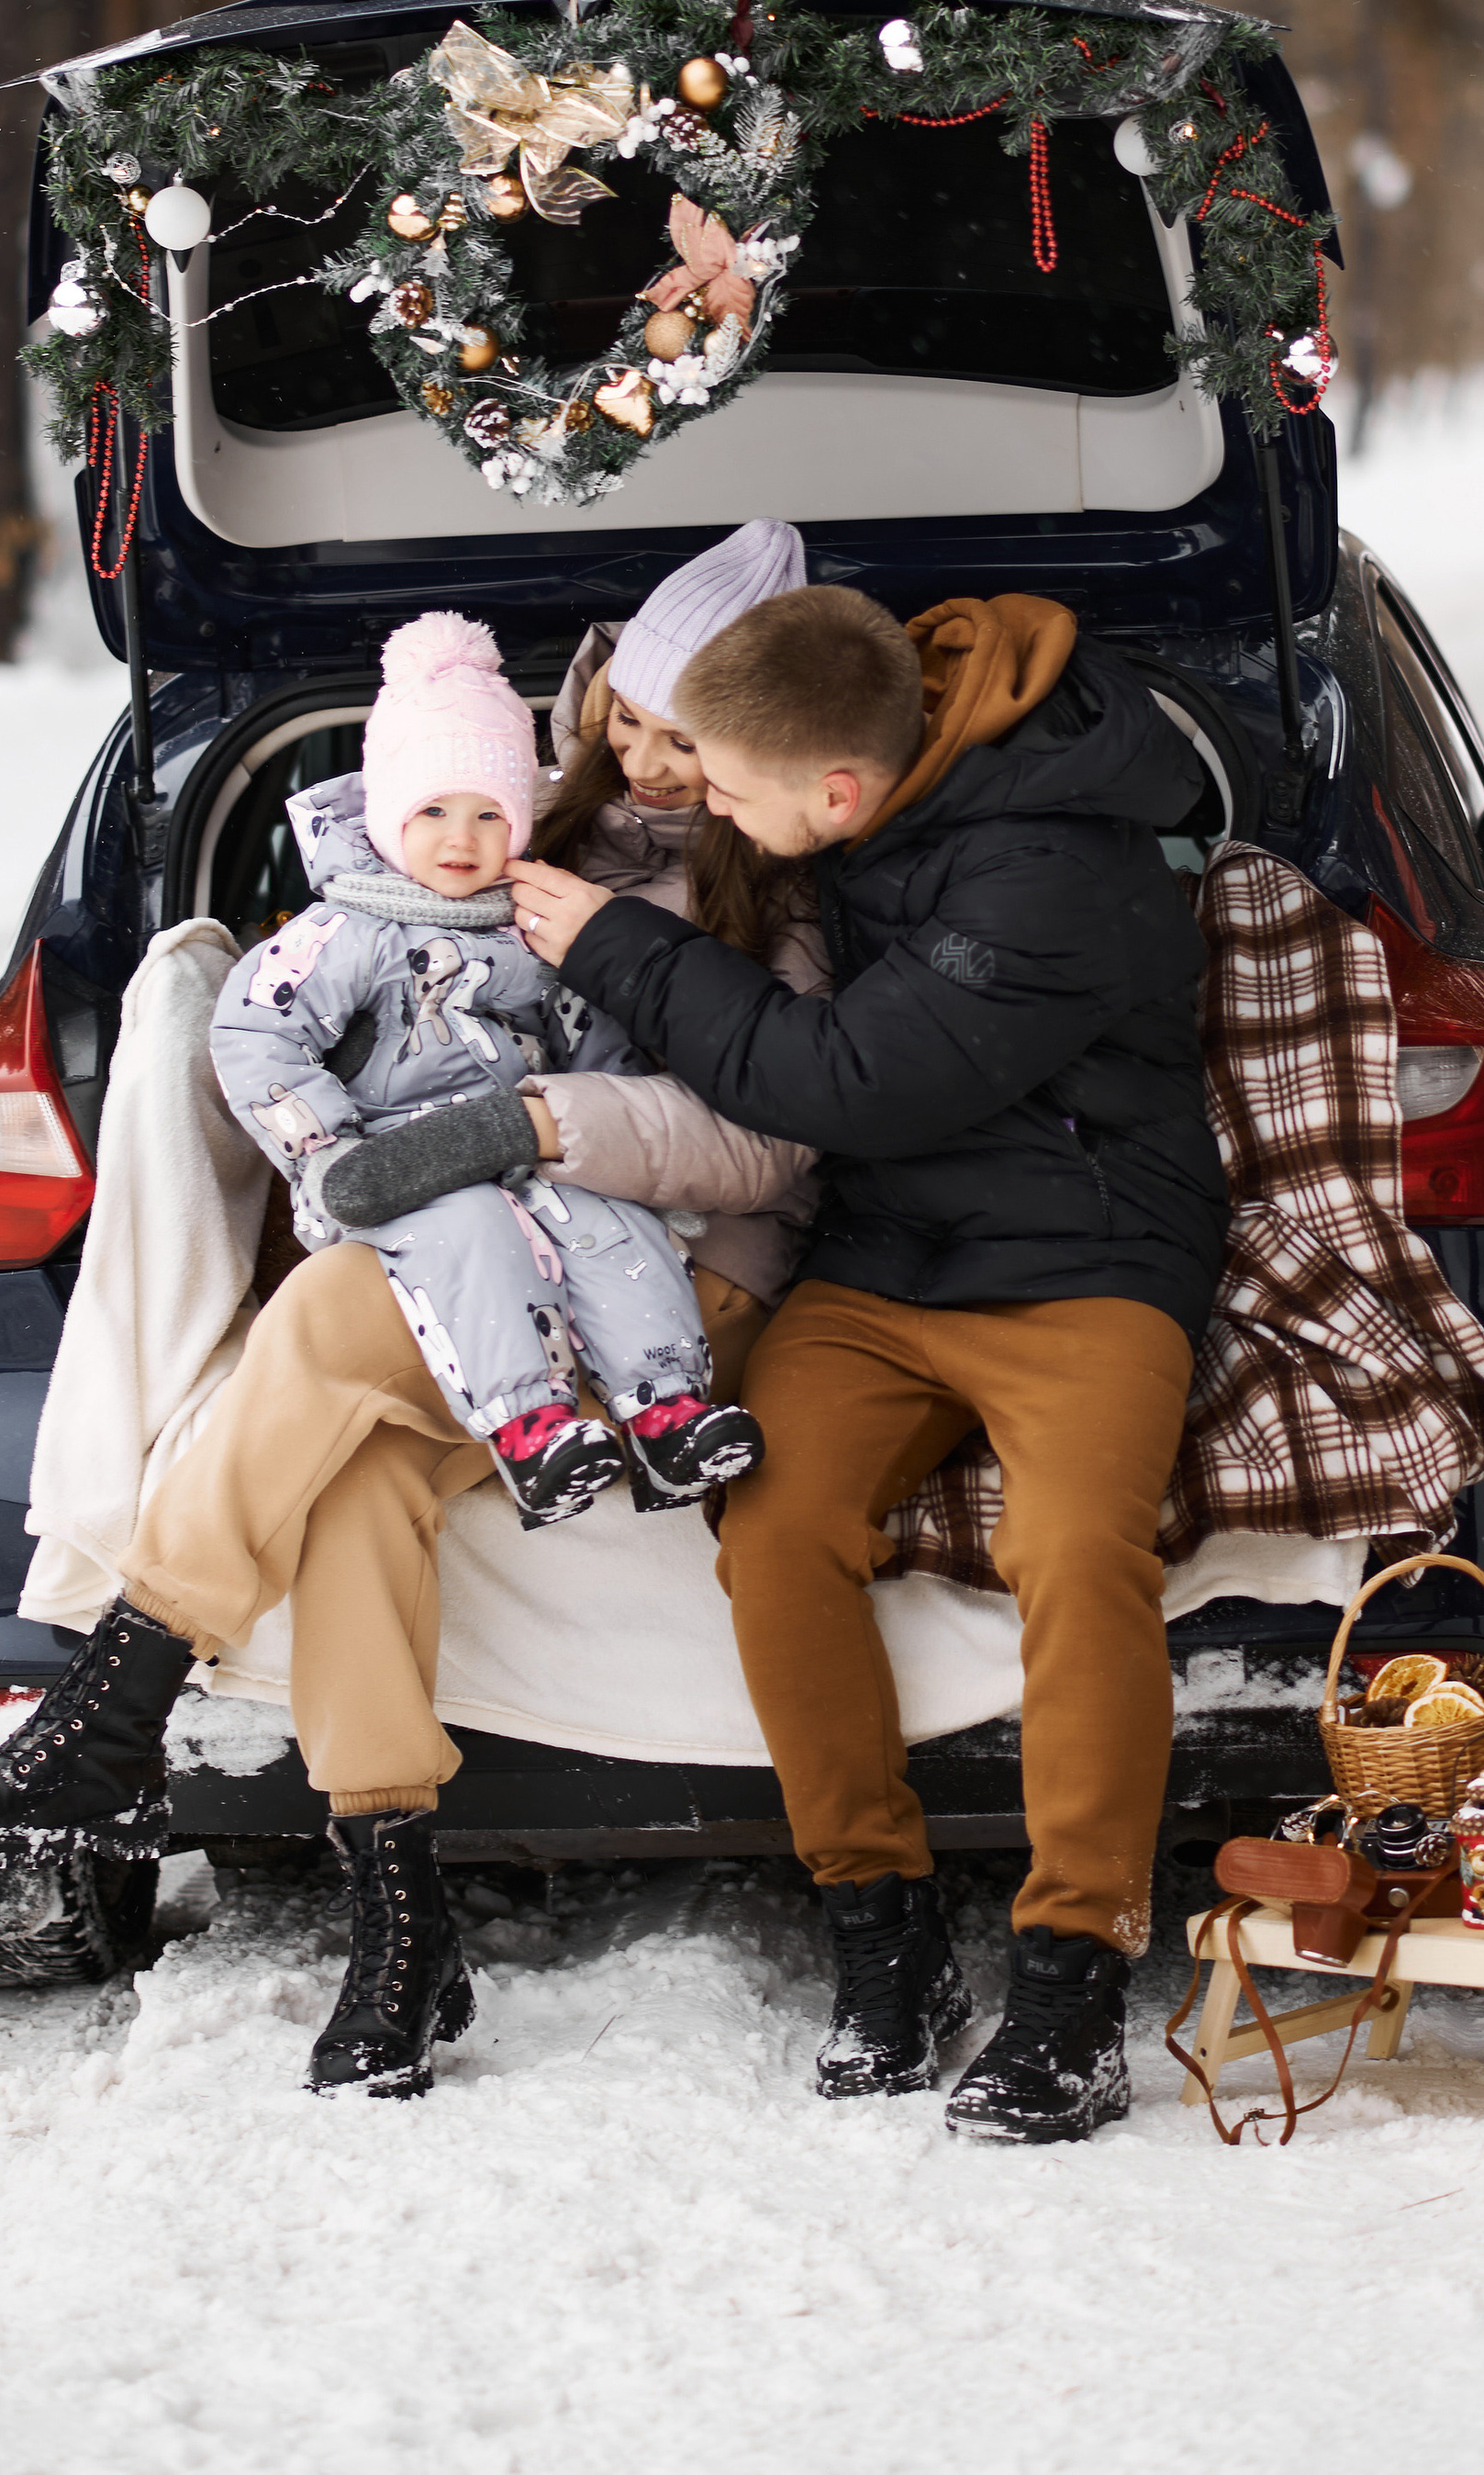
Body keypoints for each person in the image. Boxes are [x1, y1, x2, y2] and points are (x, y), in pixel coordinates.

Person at [0, 520, 823, 2102]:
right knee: (355, 1477)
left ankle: (126, 1686)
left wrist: (533, 1123)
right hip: (482, 1262)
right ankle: (400, 1912)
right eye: (633, 725)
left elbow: (772, 1134)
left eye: (699, 739)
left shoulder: (777, 891)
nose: (659, 764)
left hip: (675, 1279)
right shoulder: (514, 835)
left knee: (333, 1315)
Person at [510, 582, 1228, 2148]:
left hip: (1086, 1261)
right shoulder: (877, 782)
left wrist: (624, 944)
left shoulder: (1048, 872)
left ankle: (1071, 1970)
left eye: (737, 788)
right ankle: (877, 1926)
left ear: (837, 792)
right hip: (893, 1261)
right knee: (773, 1521)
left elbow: (845, 1077)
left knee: (1075, 1547)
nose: (712, 804)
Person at [209, 607, 764, 1528]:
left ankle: (668, 1413)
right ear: (388, 812)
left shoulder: (534, 920)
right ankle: (528, 1429)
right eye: (431, 810)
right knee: (470, 1242)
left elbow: (590, 1033)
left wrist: (614, 1126)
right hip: (403, 1159)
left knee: (611, 1227)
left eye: (486, 814)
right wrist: (327, 1154)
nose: (458, 838)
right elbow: (256, 1037)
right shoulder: (349, 928)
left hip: (526, 1141)